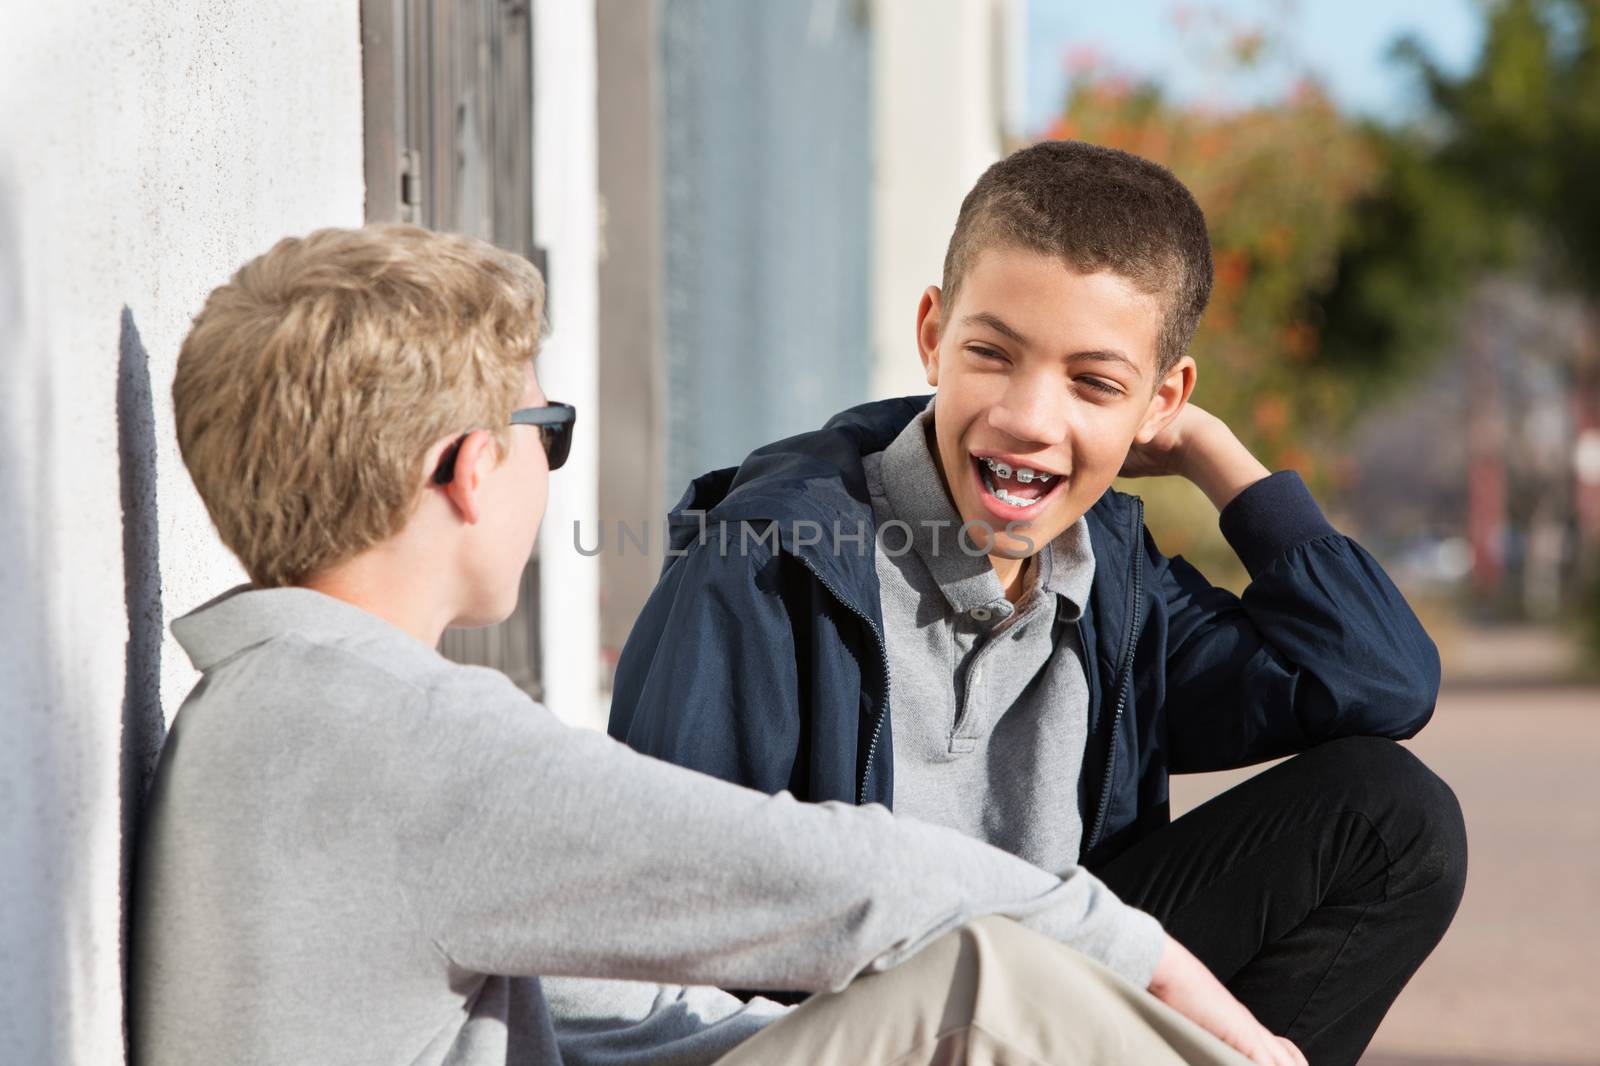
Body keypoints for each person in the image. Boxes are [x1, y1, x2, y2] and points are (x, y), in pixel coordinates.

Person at [129, 223, 1283, 1066]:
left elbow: (598, 1005)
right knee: (985, 982)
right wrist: (1157, 968)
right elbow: (851, 880)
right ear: (471, 471)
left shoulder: (281, 705)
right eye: (548, 426)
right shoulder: (409, 738)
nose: (549, 459)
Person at [607, 141, 1468, 1066]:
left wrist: (1213, 456)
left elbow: (1379, 678)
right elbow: (651, 926)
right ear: (933, 336)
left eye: (1095, 382)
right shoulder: (770, 566)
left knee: (1392, 818)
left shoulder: (1113, 581)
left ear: (1159, 399)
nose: (1028, 417)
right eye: (992, 353)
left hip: (1060, 1001)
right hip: (854, 1036)